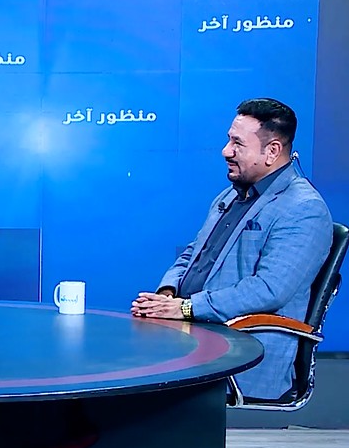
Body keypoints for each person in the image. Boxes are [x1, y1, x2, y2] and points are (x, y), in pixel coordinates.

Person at [131, 97, 332, 400]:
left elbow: (269, 289)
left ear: (272, 151)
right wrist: (167, 293)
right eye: (229, 140)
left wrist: (186, 308)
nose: (226, 151)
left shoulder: (303, 208)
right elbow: (193, 253)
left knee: (129, 389)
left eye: (238, 143)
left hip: (241, 350)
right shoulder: (230, 195)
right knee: (113, 359)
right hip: (193, 334)